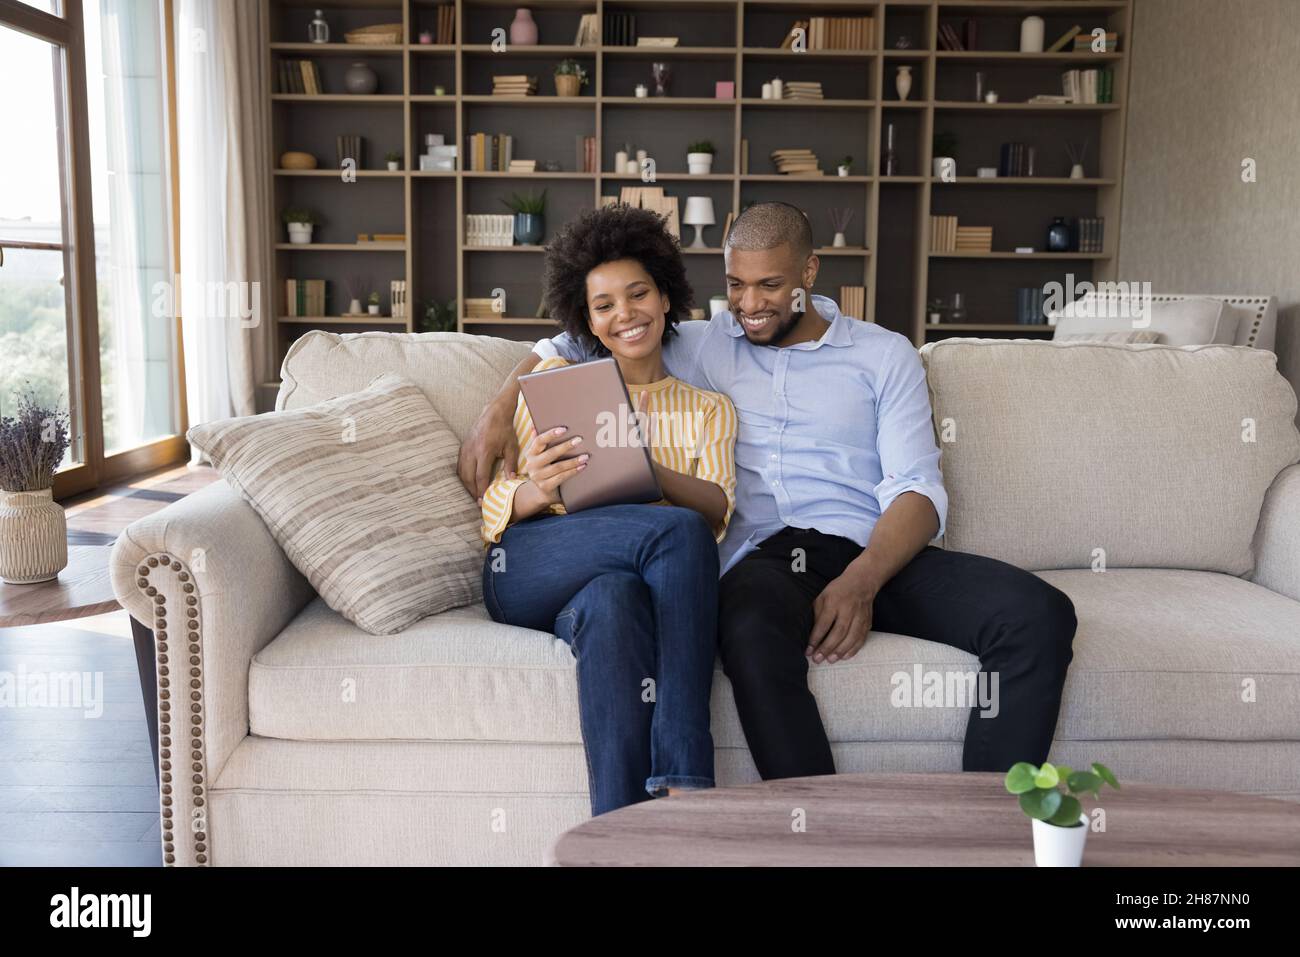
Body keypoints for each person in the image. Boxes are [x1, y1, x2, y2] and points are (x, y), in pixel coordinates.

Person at [462, 201, 1076, 782]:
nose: (749, 305)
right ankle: (814, 836)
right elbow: (582, 337)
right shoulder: (704, 341)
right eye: (735, 285)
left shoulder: (883, 355)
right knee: (750, 635)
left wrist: (861, 582)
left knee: (1038, 614)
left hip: (875, 551)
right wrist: (498, 407)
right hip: (767, 562)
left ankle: (991, 829)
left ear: (810, 271)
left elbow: (916, 488)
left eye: (771, 286)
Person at [478, 204, 738, 816]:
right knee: (675, 529)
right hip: (527, 566)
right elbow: (491, 508)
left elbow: (718, 507)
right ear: (588, 321)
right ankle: (684, 771)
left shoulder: (708, 409)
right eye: (605, 306)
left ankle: (618, 833)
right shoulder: (556, 379)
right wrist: (536, 491)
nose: (625, 314)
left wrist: (640, 459)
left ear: (667, 296)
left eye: (638, 293)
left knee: (616, 602)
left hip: (607, 585)